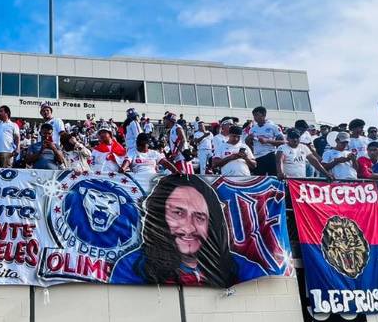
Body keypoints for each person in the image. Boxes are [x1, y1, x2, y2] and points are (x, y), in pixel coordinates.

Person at [109, 174, 265, 287]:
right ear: (160, 217)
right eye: (178, 213)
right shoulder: (134, 266)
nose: (189, 227)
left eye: (200, 217)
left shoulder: (241, 267)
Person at [246, 106, 283, 175]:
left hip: (270, 155)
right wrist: (248, 139)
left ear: (264, 115)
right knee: (259, 179)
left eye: (257, 115)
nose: (255, 117)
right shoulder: (252, 129)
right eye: (254, 115)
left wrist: (267, 141)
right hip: (257, 157)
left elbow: (282, 142)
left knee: (273, 177)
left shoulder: (273, 127)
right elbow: (248, 144)